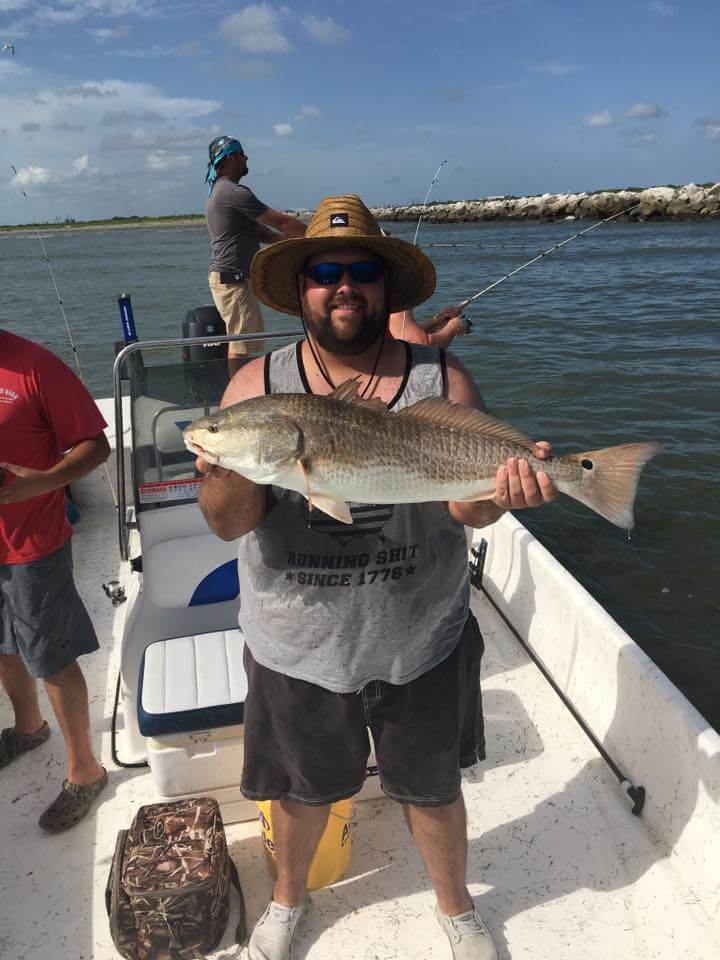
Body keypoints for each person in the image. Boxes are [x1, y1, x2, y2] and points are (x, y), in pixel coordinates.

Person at [196, 195, 556, 960]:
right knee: (297, 789)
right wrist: (224, 457)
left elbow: (468, 509)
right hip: (298, 644)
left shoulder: (442, 377)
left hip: (419, 636)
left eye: (362, 271)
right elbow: (227, 524)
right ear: (301, 290)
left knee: (433, 787)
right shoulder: (256, 389)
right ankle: (290, 901)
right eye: (325, 271)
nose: (344, 286)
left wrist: (503, 494)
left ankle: (456, 909)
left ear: (388, 288)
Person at [0, 331, 110, 831]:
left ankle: (85, 771)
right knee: (3, 647)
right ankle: (28, 728)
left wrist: (41, 482)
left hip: (32, 544)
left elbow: (95, 445)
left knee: (50, 657)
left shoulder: (34, 366)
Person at [204, 135, 307, 375]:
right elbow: (278, 221)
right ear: (229, 157)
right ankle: (237, 398)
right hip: (233, 280)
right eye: (241, 154)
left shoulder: (220, 193)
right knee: (240, 346)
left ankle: (240, 392)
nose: (246, 157)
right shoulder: (233, 193)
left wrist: (291, 240)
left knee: (244, 342)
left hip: (233, 279)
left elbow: (261, 232)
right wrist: (319, 235)